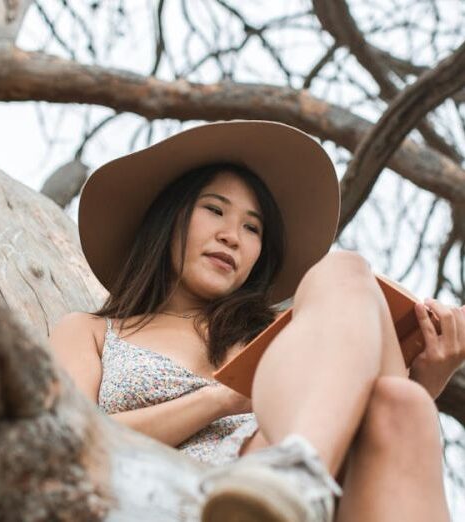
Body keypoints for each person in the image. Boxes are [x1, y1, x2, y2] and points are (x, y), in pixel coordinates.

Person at [49, 120, 462, 522]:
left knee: (352, 284)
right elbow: (69, 440)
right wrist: (222, 398)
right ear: (168, 218)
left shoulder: (282, 337)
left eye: (252, 228)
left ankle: (296, 477)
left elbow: (376, 436)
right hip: (163, 500)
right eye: (214, 209)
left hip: (286, 500)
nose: (233, 236)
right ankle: (288, 474)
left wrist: (428, 380)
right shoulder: (91, 331)